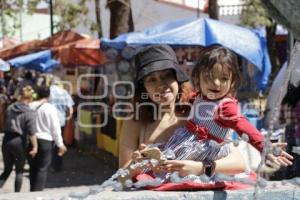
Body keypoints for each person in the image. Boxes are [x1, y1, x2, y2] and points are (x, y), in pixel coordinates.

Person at [119, 44, 247, 181]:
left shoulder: (200, 110)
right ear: (143, 87)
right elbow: (121, 177)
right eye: (151, 79)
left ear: (177, 78)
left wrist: (200, 168)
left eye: (167, 75)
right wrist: (139, 165)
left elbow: (239, 162)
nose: (161, 84)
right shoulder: (135, 121)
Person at [0, 85, 38, 192]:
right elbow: (32, 132)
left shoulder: (10, 107)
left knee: (7, 169)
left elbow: (3, 120)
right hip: (19, 142)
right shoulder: (29, 112)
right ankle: (17, 196)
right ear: (30, 98)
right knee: (19, 171)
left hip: (7, 140)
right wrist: (35, 146)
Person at [29, 86, 67, 191]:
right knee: (42, 168)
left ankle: (31, 192)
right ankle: (37, 193)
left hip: (31, 141)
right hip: (45, 140)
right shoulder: (50, 108)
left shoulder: (30, 106)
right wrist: (60, 144)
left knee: (33, 168)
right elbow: (55, 127)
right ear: (49, 95)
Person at [49, 76, 74, 171]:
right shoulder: (64, 92)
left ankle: (49, 163)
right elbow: (70, 109)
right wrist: (68, 119)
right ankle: (57, 164)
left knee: (50, 142)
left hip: (50, 121)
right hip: (61, 121)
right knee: (59, 142)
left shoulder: (49, 92)